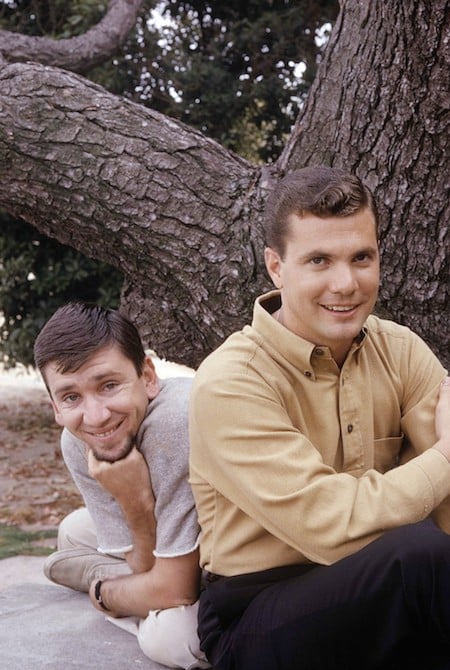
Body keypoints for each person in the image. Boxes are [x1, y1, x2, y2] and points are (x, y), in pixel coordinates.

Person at [189, 165, 450, 669]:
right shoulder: (232, 380)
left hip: (382, 589)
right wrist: (444, 455)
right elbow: (331, 526)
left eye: (361, 257)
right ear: (276, 267)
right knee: (419, 556)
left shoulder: (401, 350)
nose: (346, 283)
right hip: (257, 612)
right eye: (318, 260)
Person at [34, 303, 210, 669]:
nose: (96, 416)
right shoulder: (78, 438)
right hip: (166, 545)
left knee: (174, 639)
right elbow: (145, 564)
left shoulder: (175, 421)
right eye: (71, 397)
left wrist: (104, 595)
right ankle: (118, 582)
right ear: (54, 406)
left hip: (214, 558)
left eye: (109, 385)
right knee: (71, 531)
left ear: (147, 376)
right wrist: (135, 501)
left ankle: (101, 579)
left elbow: (177, 589)